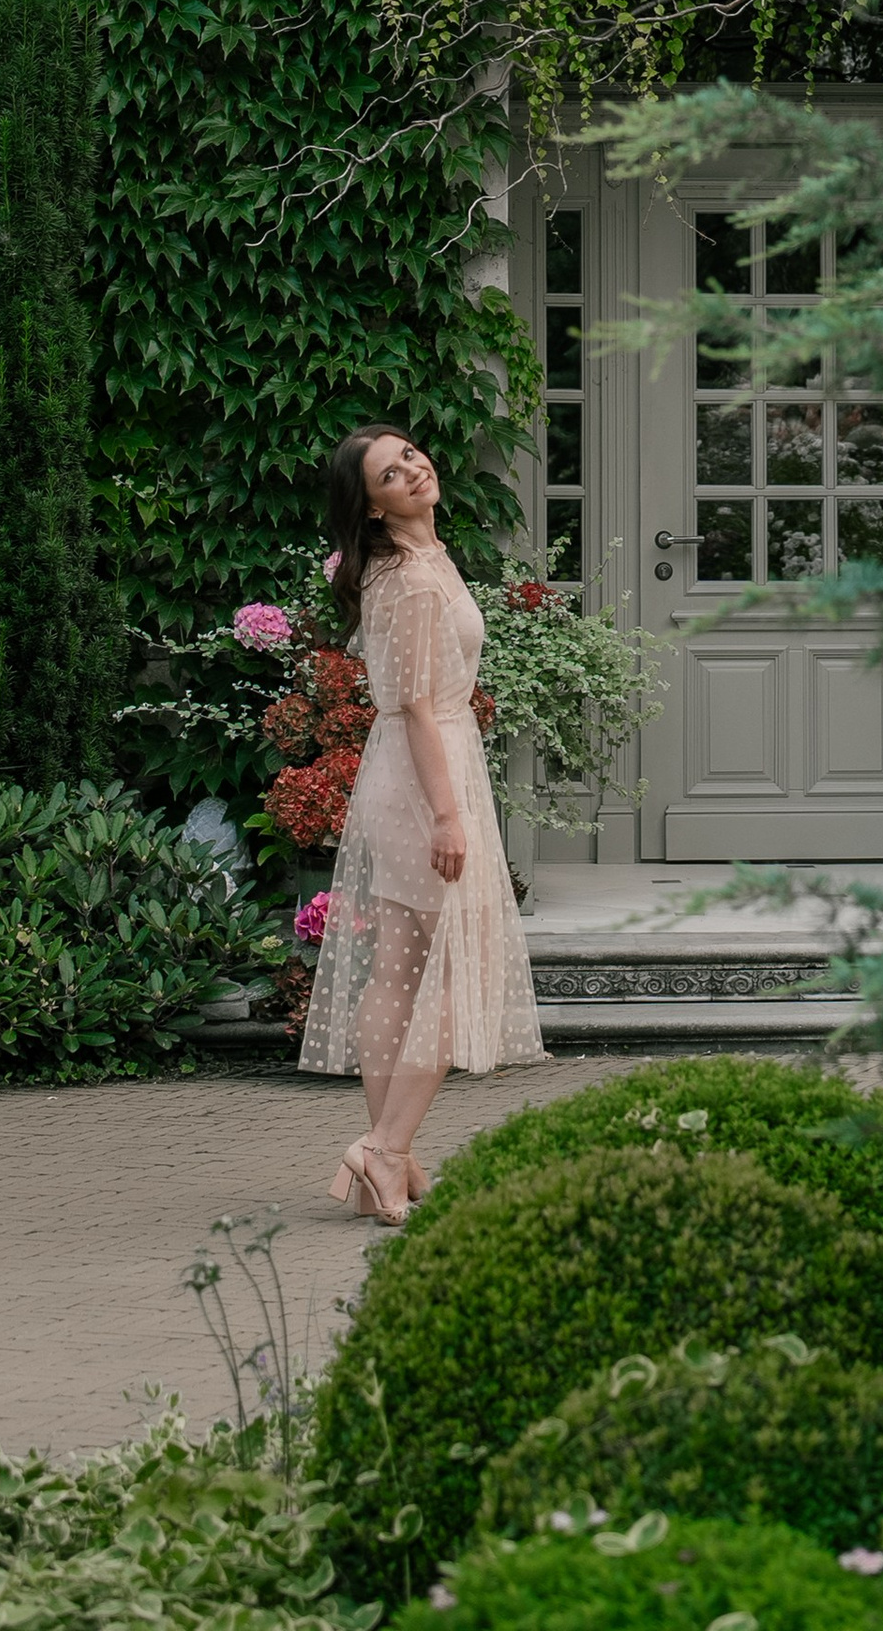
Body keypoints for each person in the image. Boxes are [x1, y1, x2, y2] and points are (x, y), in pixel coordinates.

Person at [298, 422, 544, 1220]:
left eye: (408, 454)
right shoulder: (404, 578)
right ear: (369, 508)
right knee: (452, 965)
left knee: (402, 965)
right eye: (388, 472)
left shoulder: (426, 559)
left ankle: (386, 1162)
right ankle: (385, 1149)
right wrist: (449, 814)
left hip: (424, 767)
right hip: (424, 777)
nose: (411, 468)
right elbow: (412, 708)